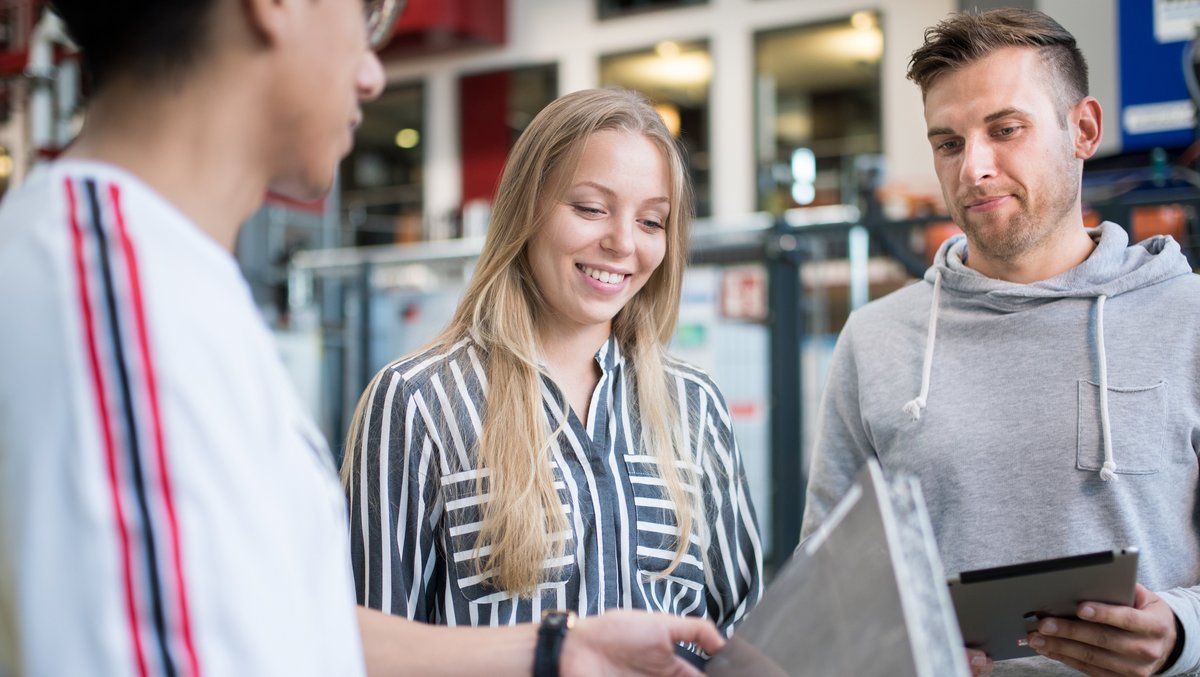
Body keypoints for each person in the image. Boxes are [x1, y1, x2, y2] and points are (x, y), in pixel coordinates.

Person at [0, 1, 726, 675]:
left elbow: (293, 626)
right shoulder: (109, 299)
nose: (375, 71)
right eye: (365, 12)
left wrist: (557, 650)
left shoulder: (175, 285)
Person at [800, 8, 1200, 677]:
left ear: (1084, 129)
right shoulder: (876, 341)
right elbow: (826, 587)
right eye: (948, 143)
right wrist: (889, 648)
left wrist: (1181, 631)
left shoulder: (1187, 318)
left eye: (1005, 129)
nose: (974, 167)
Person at [342, 87, 763, 643]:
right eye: (591, 208)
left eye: (652, 221)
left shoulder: (696, 406)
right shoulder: (417, 401)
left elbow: (743, 628)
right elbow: (365, 648)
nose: (621, 243)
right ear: (527, 209)